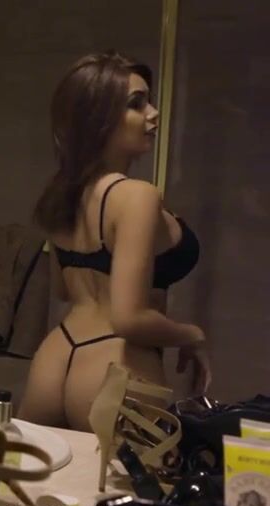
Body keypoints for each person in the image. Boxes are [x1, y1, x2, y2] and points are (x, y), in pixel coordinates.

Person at [17, 51, 211, 431]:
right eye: (136, 104)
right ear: (99, 120)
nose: (153, 113)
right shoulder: (136, 196)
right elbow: (128, 318)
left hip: (56, 355)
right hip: (116, 366)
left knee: (39, 471)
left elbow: (63, 289)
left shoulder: (64, 193)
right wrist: (192, 335)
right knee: (138, 474)